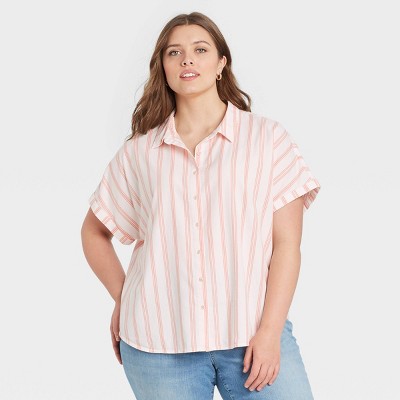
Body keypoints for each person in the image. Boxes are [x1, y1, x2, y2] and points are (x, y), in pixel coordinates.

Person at [81, 11, 321, 400]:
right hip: (158, 346)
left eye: (200, 49)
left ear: (221, 63)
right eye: (174, 52)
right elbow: (94, 231)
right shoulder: (140, 153)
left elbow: (287, 247)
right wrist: (124, 298)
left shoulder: (267, 140)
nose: (187, 60)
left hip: (253, 338)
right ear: (163, 67)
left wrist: (270, 332)